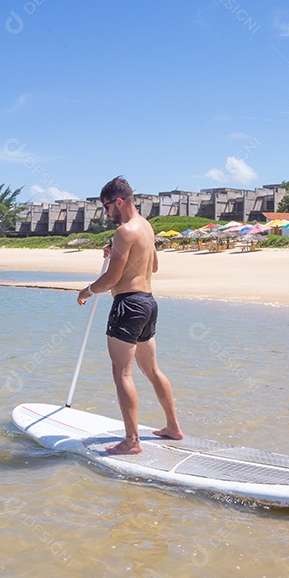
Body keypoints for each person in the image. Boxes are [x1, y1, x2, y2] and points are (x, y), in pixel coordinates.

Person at [77, 177, 183, 455]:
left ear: (119, 202)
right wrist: (117, 254)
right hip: (148, 303)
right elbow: (154, 265)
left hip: (128, 305)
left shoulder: (124, 231)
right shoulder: (146, 227)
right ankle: (173, 427)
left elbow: (112, 279)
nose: (105, 213)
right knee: (152, 369)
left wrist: (87, 290)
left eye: (106, 206)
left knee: (122, 373)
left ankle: (132, 441)